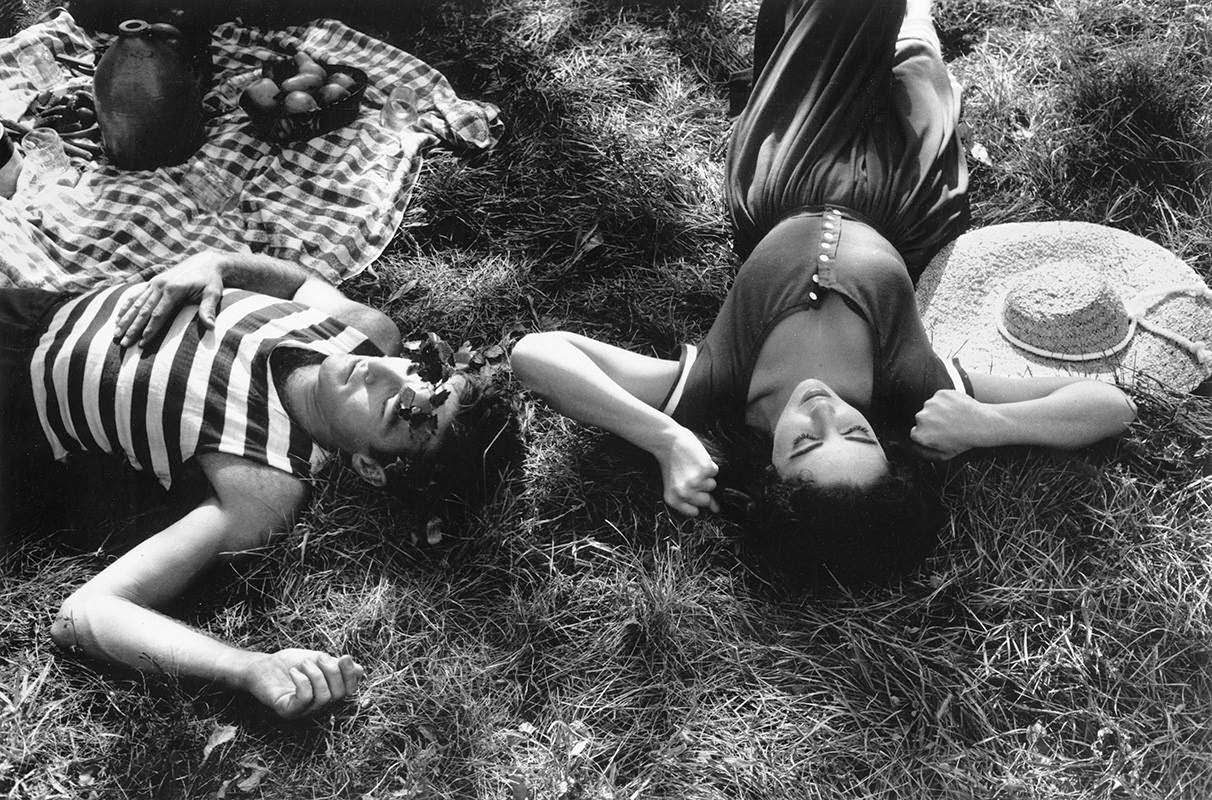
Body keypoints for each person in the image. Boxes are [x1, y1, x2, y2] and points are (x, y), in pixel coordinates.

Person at [511, 0, 1137, 585]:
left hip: (787, 178)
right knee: (917, 67)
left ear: (769, 475)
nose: (825, 411)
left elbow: (536, 355)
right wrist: (989, 424)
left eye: (807, 442)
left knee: (827, 20)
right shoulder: (914, 386)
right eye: (859, 435)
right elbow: (1110, 407)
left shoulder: (716, 388)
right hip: (908, 202)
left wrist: (665, 439)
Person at [0, 249, 509, 717]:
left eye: (403, 412)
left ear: (369, 467)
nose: (385, 372)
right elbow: (302, 280)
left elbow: (85, 615)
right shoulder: (365, 331)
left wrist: (246, 667)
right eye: (421, 371)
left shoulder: (266, 482)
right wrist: (217, 264)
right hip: (40, 311)